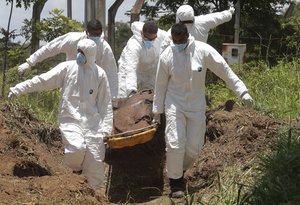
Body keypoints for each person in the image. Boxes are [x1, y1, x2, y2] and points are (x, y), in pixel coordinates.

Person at [152, 23, 253, 198]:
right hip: (174, 104)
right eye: (175, 41)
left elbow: (224, 70)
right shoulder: (167, 56)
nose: (178, 43)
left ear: (187, 36)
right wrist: (156, 112)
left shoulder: (203, 50)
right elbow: (160, 85)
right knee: (175, 143)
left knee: (195, 147)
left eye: (181, 40)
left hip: (196, 106)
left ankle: (179, 169)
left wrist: (242, 91)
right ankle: (176, 182)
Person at [8, 39, 113, 192]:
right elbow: (43, 81)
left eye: (82, 53)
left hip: (92, 123)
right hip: (70, 119)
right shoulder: (67, 68)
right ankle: (76, 172)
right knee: (76, 149)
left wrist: (106, 128)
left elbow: (105, 104)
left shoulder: (100, 74)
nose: (79, 55)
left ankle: (91, 195)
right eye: (78, 51)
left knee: (95, 161)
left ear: (90, 55)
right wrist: (18, 89)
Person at [17, 19, 118, 100]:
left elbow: (111, 72)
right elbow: (50, 48)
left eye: (98, 35)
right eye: (93, 34)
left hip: (92, 87)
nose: (95, 37)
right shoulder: (72, 40)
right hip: (71, 80)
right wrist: (30, 62)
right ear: (86, 32)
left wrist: (113, 98)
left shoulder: (104, 47)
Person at [117, 21, 167, 98]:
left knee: (152, 98)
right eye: (147, 39)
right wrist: (132, 92)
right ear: (141, 33)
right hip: (129, 71)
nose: (150, 41)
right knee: (124, 97)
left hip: (150, 72)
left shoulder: (161, 35)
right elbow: (131, 69)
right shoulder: (133, 45)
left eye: (152, 39)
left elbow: (172, 37)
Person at [161, 4, 235, 51]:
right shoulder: (202, 22)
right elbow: (219, 17)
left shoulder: (173, 31)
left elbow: (163, 49)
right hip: (200, 63)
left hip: (179, 67)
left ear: (178, 18)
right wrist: (229, 12)